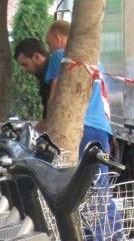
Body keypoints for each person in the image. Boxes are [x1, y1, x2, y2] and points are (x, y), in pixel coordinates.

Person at [43, 18, 113, 156]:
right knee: (97, 169)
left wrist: (49, 123)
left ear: (57, 38)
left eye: (49, 44)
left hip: (75, 128)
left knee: (67, 169)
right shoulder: (97, 63)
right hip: (102, 129)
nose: (50, 50)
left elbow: (55, 93)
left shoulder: (60, 56)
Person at [13, 37, 51, 121]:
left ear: (36, 57)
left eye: (25, 64)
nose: (24, 70)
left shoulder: (51, 75)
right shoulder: (44, 74)